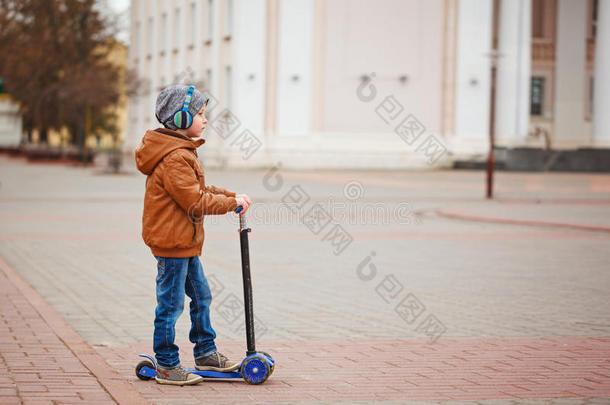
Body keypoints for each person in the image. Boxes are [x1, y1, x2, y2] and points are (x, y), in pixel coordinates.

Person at [135, 84, 252, 385]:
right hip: (172, 245)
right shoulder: (175, 157)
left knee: (202, 296)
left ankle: (205, 352)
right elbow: (194, 201)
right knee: (171, 305)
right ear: (181, 119)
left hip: (184, 244)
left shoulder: (182, 152)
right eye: (200, 114)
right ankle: (166, 364)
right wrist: (230, 205)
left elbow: (200, 190)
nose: (205, 119)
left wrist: (231, 195)